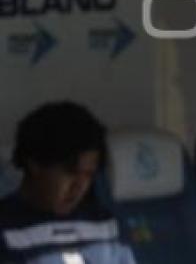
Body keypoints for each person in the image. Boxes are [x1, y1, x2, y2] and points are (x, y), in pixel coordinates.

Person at [0, 102, 136, 263]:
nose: (79, 186)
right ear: (36, 164)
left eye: (88, 175)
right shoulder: (6, 228)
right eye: (71, 173)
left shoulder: (103, 224)